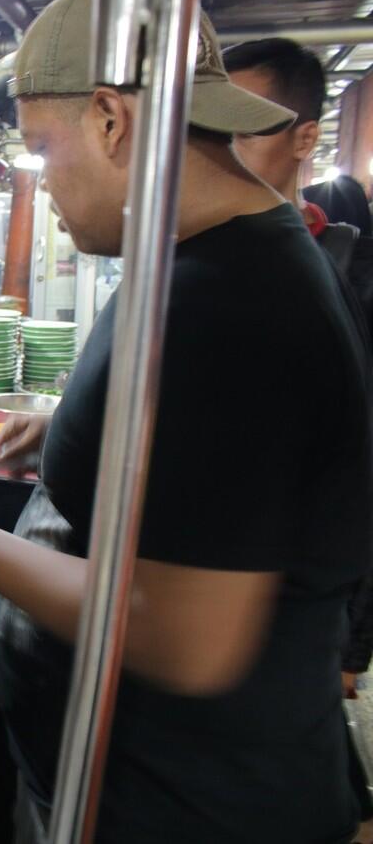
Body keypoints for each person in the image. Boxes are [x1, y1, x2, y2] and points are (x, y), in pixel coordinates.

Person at [0, 0, 373, 841]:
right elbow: (217, 457)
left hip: (193, 810)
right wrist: (82, 430)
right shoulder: (198, 258)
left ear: (113, 119)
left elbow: (189, 634)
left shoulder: (236, 306)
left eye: (44, 149)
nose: (41, 182)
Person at [223, 35, 373, 701]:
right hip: (213, 585)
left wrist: (354, 644)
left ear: (305, 139)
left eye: (243, 128)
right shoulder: (204, 263)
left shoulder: (347, 274)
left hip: (295, 626)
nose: (217, 149)